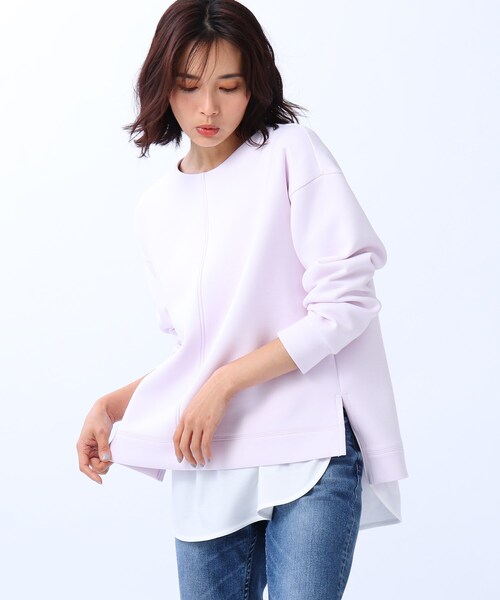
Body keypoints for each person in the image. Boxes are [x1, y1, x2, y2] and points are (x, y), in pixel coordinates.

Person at [76, 1, 409, 598]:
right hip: (207, 459)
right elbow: (200, 350)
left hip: (309, 445)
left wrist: (225, 383)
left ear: (253, 84)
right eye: (189, 86)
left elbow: (346, 302)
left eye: (228, 86)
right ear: (162, 87)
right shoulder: (155, 209)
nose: (209, 107)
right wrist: (112, 405)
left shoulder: (290, 153)